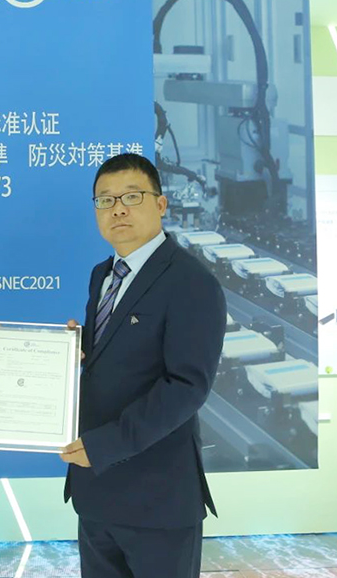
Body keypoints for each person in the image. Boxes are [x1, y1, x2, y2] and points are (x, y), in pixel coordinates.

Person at [61, 153, 226, 578]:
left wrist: (106, 445)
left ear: (161, 204)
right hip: (96, 492)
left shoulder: (192, 281)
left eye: (131, 196)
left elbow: (186, 386)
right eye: (105, 200)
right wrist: (74, 350)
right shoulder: (102, 275)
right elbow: (118, 355)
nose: (117, 209)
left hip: (158, 499)